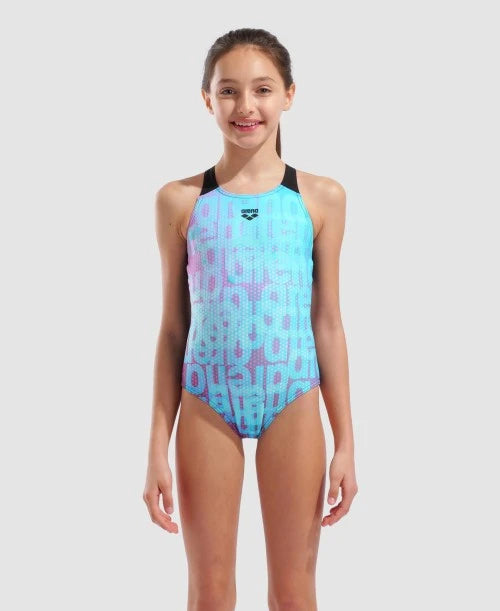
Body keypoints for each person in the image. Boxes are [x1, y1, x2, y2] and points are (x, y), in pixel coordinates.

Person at [143, 27, 358, 611]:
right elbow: (172, 330)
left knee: (294, 592)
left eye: (262, 89)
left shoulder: (320, 199)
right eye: (228, 90)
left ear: (289, 94)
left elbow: (328, 323)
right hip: (207, 400)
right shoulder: (181, 201)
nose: (246, 106)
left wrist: (345, 441)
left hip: (293, 396)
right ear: (207, 99)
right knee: (210, 593)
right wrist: (157, 447)